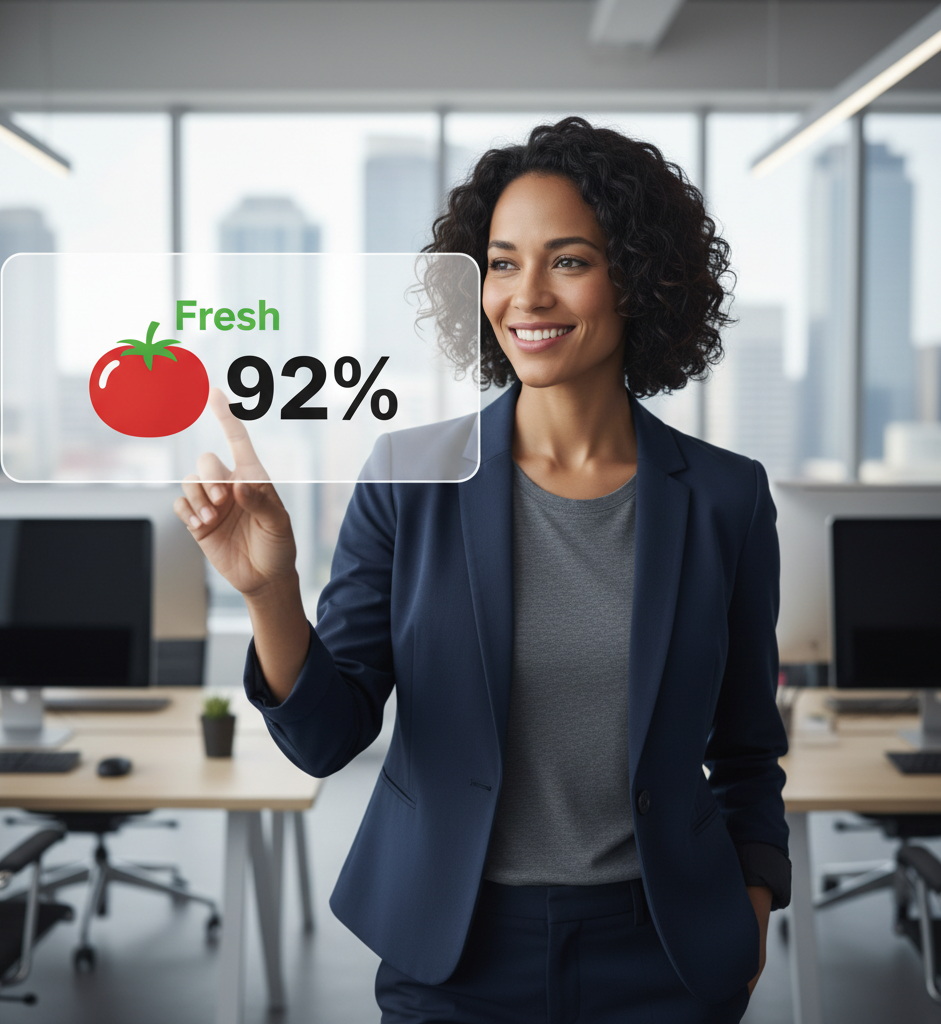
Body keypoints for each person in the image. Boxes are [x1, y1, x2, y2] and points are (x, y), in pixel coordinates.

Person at [175, 117, 790, 1024]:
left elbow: (744, 746)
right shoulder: (408, 476)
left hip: (664, 951)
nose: (527, 296)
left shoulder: (725, 499)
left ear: (640, 277)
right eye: (502, 263)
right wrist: (271, 594)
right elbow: (326, 738)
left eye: (569, 260)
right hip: (455, 951)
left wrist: (754, 898)